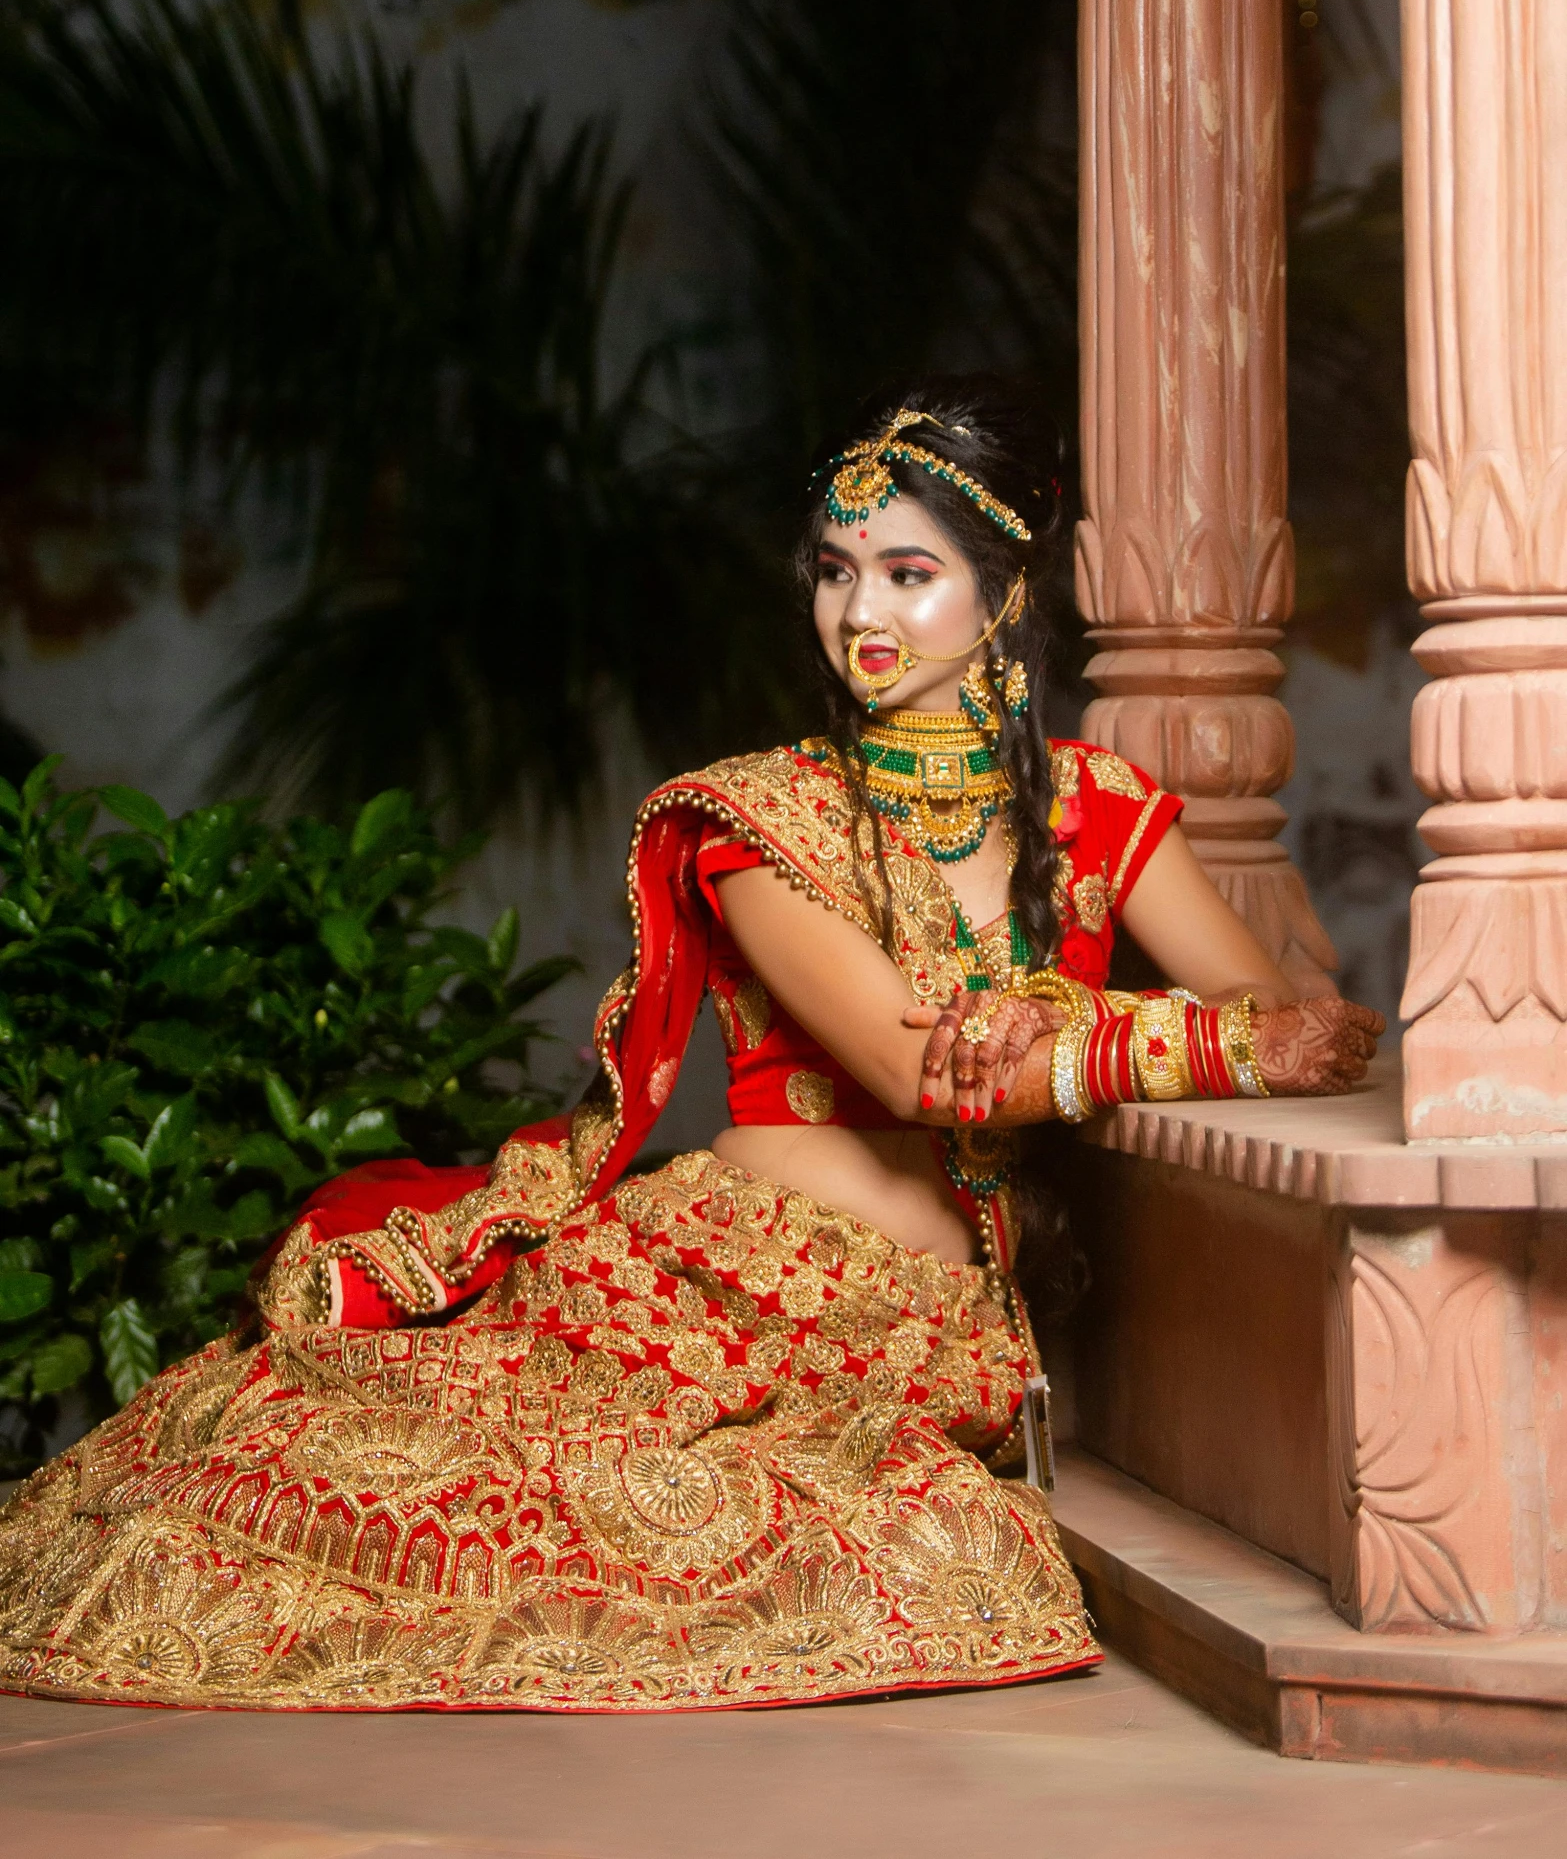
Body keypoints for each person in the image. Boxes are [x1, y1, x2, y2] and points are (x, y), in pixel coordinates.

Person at [0, 382, 1382, 1713]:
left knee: (890, 1564)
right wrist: (1165, 1036)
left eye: (908, 573)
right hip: (718, 1280)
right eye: (836, 571)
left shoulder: (1104, 806)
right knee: (388, 1509)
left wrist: (1077, 1017)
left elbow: (1285, 1024)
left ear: (1005, 593)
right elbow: (922, 1070)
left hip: (924, 1329)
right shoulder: (753, 821)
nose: (860, 613)